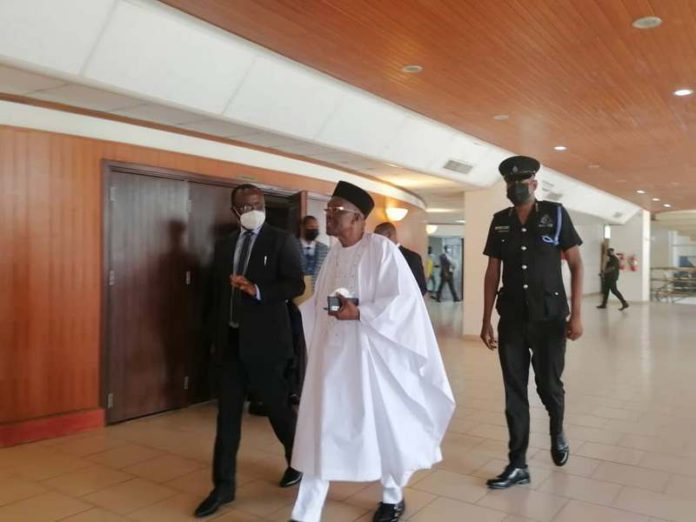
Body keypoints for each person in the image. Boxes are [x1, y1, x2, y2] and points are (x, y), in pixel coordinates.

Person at [289, 181, 455, 522]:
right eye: (329, 211)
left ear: (358, 218)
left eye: (336, 212)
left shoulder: (381, 249)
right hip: (332, 359)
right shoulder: (333, 252)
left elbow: (404, 302)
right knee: (323, 426)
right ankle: (305, 513)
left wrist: (361, 312)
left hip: (371, 359)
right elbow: (324, 301)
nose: (329, 217)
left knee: (384, 425)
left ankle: (392, 498)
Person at [195, 184, 305, 518]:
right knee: (227, 418)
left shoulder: (280, 240)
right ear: (234, 212)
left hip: (267, 346)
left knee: (279, 412)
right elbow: (213, 294)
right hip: (230, 345)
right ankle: (222, 488)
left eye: (258, 205)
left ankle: (299, 461)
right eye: (245, 207)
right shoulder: (225, 244)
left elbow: (295, 284)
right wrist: (209, 338)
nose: (253, 210)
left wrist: (257, 290)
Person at [480, 156, 584, 489]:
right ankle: (517, 464)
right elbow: (492, 272)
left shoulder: (555, 215)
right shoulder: (499, 222)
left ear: (535, 184)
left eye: (522, 182)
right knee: (514, 393)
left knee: (548, 386)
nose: (516, 187)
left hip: (550, 318)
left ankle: (557, 430)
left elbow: (577, 265)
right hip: (511, 317)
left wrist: (577, 314)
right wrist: (486, 320)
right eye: (511, 184)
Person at [374, 221, 428, 295]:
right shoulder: (376, 257)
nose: (376, 242)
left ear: (389, 235)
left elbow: (421, 288)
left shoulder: (412, 258)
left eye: (379, 238)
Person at [298, 215, 329, 289]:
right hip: (296, 293)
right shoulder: (291, 247)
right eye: (311, 227)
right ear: (302, 228)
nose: (314, 230)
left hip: (318, 291)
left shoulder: (325, 249)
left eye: (316, 227)